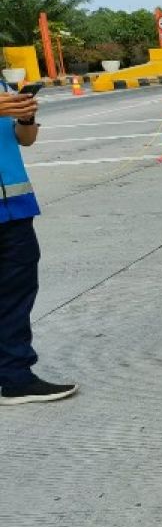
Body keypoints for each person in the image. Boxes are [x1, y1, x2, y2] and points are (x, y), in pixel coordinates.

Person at [0, 80, 77, 405]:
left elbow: (23, 141)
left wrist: (27, 118)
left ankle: (15, 379)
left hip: (13, 208)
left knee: (15, 297)